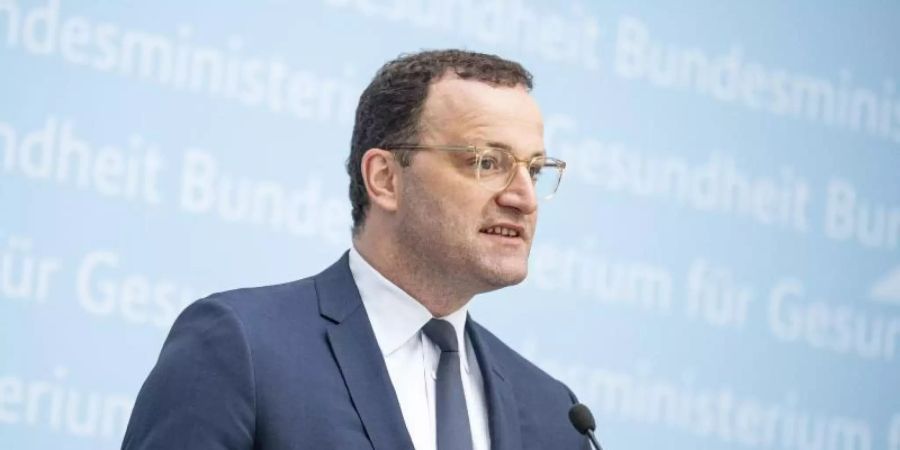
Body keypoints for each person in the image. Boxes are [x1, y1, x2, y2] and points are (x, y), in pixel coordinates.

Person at [122, 49, 588, 450]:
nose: (523, 197)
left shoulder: (554, 414)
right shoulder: (240, 347)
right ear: (385, 179)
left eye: (535, 170)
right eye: (488, 162)